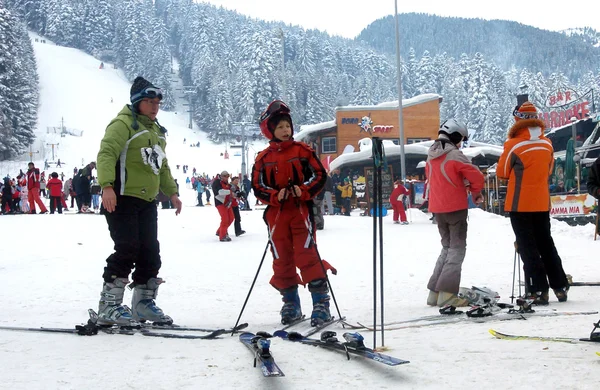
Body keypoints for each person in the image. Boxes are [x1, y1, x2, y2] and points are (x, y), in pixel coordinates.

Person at [95, 76, 182, 326]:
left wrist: (172, 192)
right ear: (136, 102)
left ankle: (143, 303)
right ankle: (109, 305)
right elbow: (106, 153)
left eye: (157, 102)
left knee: (150, 252)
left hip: (147, 200)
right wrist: (107, 186)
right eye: (149, 101)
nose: (155, 106)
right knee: (127, 248)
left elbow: (161, 165)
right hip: (121, 197)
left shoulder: (156, 132)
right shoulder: (122, 124)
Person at [252, 100, 335, 327]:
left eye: (287, 125)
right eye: (279, 127)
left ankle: (321, 303)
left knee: (306, 255)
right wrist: (274, 196)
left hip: (300, 212)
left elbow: (319, 176)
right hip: (277, 216)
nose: (285, 130)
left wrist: (303, 189)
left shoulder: (303, 151)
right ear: (270, 130)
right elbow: (257, 186)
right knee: (281, 259)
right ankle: (290, 302)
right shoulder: (263, 158)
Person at [497, 101, 569, 304]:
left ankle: (538, 290)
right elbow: (549, 170)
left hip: (520, 203)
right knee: (546, 243)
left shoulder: (513, 144)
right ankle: (560, 286)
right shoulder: (547, 144)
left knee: (528, 247)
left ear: (518, 119)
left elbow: (502, 173)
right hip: (541, 201)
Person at [426, 119, 484, 307]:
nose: (461, 144)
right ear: (456, 136)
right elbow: (476, 175)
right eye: (461, 139)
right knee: (457, 250)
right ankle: (448, 294)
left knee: (446, 248)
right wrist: (475, 192)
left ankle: (434, 293)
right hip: (455, 208)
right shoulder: (454, 155)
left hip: (438, 209)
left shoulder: (431, 154)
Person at [212, 171, 234, 241]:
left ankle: (220, 231)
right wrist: (230, 192)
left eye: (227, 176)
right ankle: (223, 236)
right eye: (224, 176)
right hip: (220, 202)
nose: (226, 178)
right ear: (221, 176)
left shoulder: (227, 183)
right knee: (225, 219)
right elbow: (219, 192)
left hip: (227, 203)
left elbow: (232, 190)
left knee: (231, 218)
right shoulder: (217, 182)